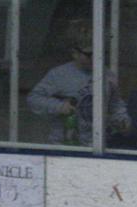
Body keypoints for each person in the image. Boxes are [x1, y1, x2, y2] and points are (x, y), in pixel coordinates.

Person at [27, 18, 131, 146]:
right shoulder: (59, 74)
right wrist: (58, 106)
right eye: (89, 54)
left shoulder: (108, 75)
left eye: (101, 52)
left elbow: (115, 104)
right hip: (64, 144)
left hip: (97, 144)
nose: (96, 58)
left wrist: (122, 120)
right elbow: (34, 99)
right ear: (74, 53)